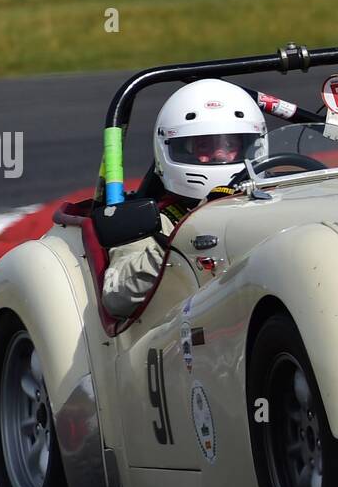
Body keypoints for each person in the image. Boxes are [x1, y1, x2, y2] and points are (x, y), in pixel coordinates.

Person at [102, 79, 266, 319]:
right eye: (204, 146)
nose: (219, 153)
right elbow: (116, 298)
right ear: (177, 149)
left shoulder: (271, 200)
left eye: (230, 144)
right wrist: (184, 234)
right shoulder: (154, 222)